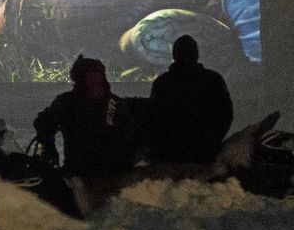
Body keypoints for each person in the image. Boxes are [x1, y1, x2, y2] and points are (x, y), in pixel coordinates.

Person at [33, 56, 138, 179]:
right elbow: (44, 123)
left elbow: (129, 134)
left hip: (113, 173)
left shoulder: (114, 103)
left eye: (97, 74)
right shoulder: (67, 102)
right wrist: (48, 148)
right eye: (90, 75)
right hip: (78, 172)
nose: (95, 80)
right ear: (80, 78)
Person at [148, 35, 233, 164]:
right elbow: (226, 114)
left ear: (174, 54)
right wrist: (212, 141)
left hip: (170, 155)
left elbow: (154, 117)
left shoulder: (162, 83)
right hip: (206, 152)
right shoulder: (214, 80)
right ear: (197, 54)